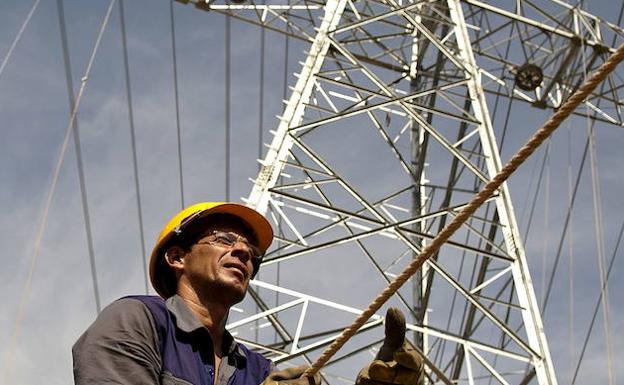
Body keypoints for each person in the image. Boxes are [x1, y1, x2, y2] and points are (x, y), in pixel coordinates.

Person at [73, 202, 424, 385]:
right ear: (178, 257)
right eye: (224, 240)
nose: (243, 253)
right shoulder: (138, 321)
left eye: (252, 253)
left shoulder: (258, 370)